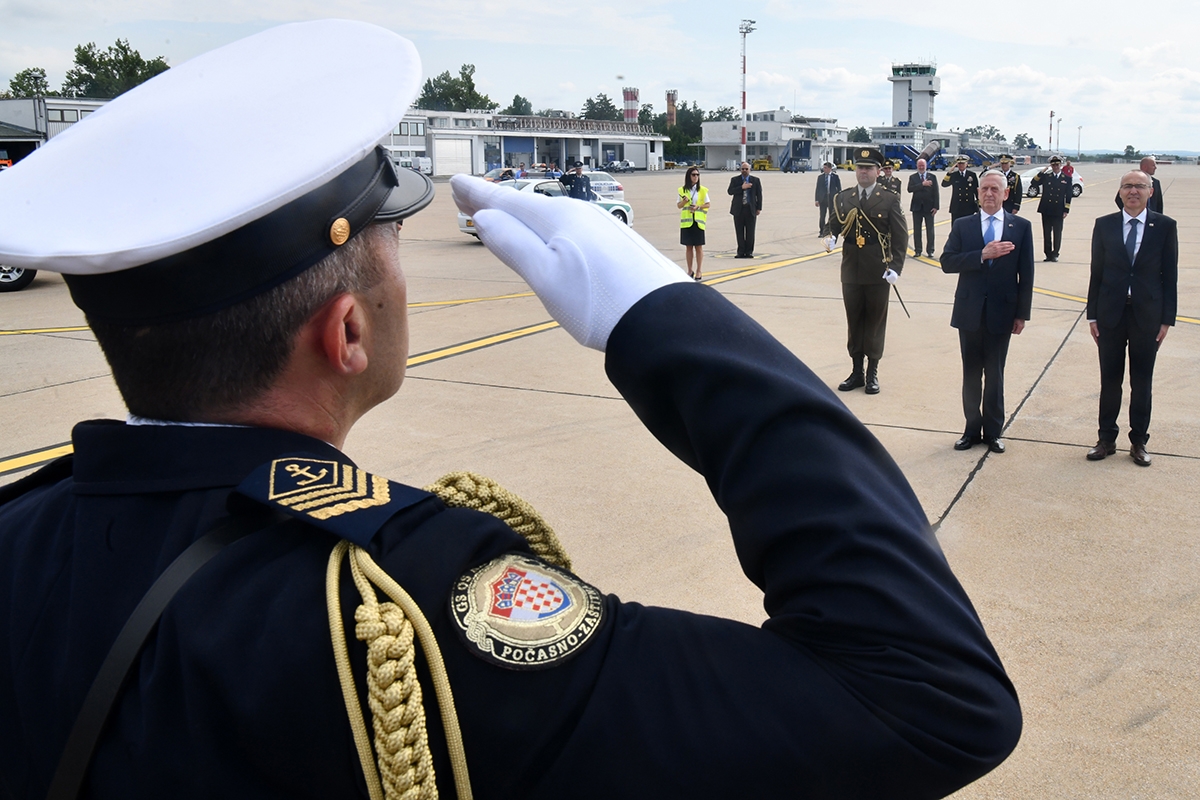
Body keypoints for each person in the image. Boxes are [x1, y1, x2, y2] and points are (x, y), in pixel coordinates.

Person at [0, 22, 1022, 798]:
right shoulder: (404, 609)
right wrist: (665, 319)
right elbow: (929, 691)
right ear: (347, 331)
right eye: (390, 239)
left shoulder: (21, 531)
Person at [1085, 170, 1178, 467]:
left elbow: (1170, 276)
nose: (1133, 191)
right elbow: (1096, 273)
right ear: (1120, 192)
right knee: (1110, 381)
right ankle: (1106, 439)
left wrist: (1166, 320)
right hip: (1111, 314)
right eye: (1128, 186)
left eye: (1140, 186)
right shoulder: (1104, 225)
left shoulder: (1164, 226)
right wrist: (1092, 315)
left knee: (1142, 381)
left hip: (1147, 316)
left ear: (1151, 191)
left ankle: (1138, 441)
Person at [940, 171, 1035, 454]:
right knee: (971, 373)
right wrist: (982, 255)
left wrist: (1022, 314)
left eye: (995, 189)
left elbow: (1026, 274)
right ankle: (971, 430)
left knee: (995, 374)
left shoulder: (1020, 226)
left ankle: (993, 432)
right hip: (969, 310)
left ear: (1006, 194)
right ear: (977, 193)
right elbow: (947, 262)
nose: (989, 193)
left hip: (1002, 312)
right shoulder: (963, 225)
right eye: (984, 189)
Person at [830, 147, 909, 395]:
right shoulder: (844, 197)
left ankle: (872, 371)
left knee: (874, 321)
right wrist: (829, 237)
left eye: (868, 168)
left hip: (878, 269)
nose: (863, 172)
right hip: (850, 268)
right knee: (854, 321)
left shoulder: (889, 198)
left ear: (877, 171)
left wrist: (896, 267)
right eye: (860, 168)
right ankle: (856, 372)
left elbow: (900, 235)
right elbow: (833, 225)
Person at [1029, 155, 1072, 261]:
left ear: (1060, 165)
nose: (1055, 167)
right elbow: (1034, 182)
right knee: (1046, 233)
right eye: (1053, 165)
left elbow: (1069, 195)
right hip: (1046, 209)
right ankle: (1048, 254)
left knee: (1057, 233)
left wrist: (1066, 210)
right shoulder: (1046, 176)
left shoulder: (1066, 178)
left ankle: (1055, 254)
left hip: (1058, 209)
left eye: (1057, 165)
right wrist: (1041, 172)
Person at [677, 167, 710, 280]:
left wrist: (698, 207)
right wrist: (684, 201)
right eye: (694, 175)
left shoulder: (702, 190)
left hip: (698, 222)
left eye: (697, 175)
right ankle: (690, 270)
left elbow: (708, 204)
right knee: (689, 247)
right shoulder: (682, 190)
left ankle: (699, 270)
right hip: (687, 223)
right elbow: (679, 205)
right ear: (689, 176)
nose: (696, 177)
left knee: (699, 247)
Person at [727, 161, 763, 258]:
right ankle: (741, 251)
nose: (744, 171)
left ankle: (749, 251)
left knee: (750, 232)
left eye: (746, 169)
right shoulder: (735, 180)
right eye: (743, 169)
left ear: (750, 170)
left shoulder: (755, 180)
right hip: (738, 209)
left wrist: (759, 208)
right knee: (739, 232)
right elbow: (730, 191)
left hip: (750, 209)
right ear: (740, 170)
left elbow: (759, 195)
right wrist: (741, 187)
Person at [907, 157, 940, 257]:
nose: (921, 167)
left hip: (929, 207)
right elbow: (910, 189)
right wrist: (922, 184)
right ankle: (918, 250)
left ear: (926, 166)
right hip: (917, 207)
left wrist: (936, 207)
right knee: (917, 230)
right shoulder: (913, 177)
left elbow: (936, 192)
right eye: (919, 166)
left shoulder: (932, 177)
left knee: (930, 230)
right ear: (917, 166)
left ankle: (930, 250)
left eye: (923, 165)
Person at [942, 155, 980, 222]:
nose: (961, 165)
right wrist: (949, 173)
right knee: (956, 228)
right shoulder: (954, 175)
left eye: (962, 163)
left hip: (969, 206)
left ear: (966, 164)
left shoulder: (972, 175)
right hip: (957, 206)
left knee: (969, 228)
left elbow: (976, 190)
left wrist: (979, 204)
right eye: (959, 164)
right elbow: (944, 184)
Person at [813, 161, 841, 238]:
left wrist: (838, 199)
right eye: (823, 168)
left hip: (831, 199)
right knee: (822, 216)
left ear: (830, 168)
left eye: (825, 168)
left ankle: (830, 231)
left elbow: (839, 189)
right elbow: (817, 189)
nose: (824, 169)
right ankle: (821, 231)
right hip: (823, 199)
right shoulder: (820, 177)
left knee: (831, 216)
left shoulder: (835, 177)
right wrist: (816, 200)